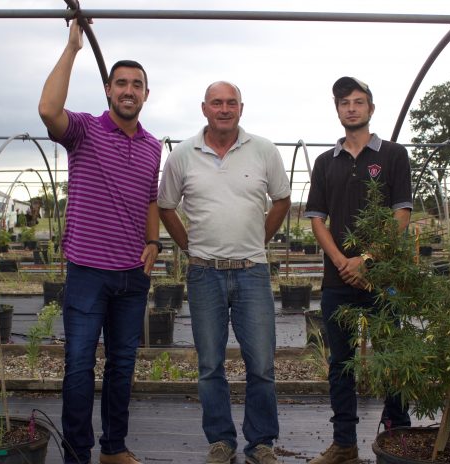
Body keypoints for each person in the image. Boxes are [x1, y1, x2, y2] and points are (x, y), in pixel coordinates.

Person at [38, 19, 162, 464]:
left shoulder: (152, 145)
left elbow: (151, 197)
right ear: (109, 90)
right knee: (78, 367)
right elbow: (49, 111)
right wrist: (72, 47)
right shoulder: (86, 131)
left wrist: (154, 243)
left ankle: (114, 447)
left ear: (146, 95)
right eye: (121, 83)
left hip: (132, 276)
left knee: (122, 366)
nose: (129, 90)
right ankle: (78, 453)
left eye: (137, 85)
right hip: (88, 271)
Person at [158, 81, 291, 464]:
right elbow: (166, 206)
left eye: (231, 102)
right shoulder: (183, 154)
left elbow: (282, 200)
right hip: (204, 274)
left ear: (241, 108)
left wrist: (260, 238)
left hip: (252, 272)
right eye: (217, 102)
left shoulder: (263, 150)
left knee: (262, 364)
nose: (224, 108)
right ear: (204, 109)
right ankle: (221, 440)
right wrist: (188, 246)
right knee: (209, 364)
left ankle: (261, 442)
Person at [304, 77, 413, 464]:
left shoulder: (395, 156)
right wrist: (341, 262)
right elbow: (317, 219)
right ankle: (344, 444)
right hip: (337, 281)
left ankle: (399, 435)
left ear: (371, 108)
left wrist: (365, 260)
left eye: (359, 101)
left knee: (392, 356)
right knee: (340, 363)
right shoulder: (324, 162)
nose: (351, 107)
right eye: (345, 102)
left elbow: (400, 215)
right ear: (337, 110)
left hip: (383, 279)